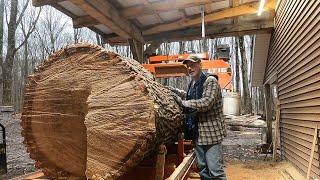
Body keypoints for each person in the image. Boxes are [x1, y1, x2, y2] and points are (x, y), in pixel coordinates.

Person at [168, 56, 227, 180]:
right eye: (188, 66)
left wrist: (182, 103)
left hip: (211, 134)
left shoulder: (210, 81)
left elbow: (206, 102)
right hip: (198, 134)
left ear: (200, 65)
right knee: (203, 170)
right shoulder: (193, 83)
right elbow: (190, 96)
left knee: (215, 171)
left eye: (193, 65)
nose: (190, 68)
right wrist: (175, 91)